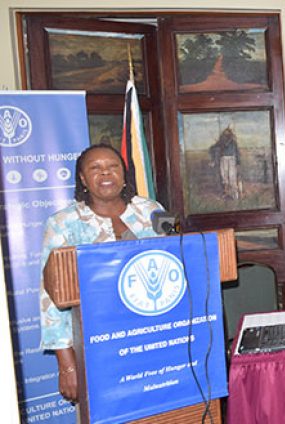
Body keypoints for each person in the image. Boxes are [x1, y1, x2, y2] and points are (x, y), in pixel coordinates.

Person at [39, 144, 164, 403]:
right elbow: (49, 298)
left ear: (123, 173)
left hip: (157, 336)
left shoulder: (153, 209)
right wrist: (67, 365)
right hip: (99, 347)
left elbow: (185, 252)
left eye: (113, 166)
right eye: (95, 168)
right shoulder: (62, 223)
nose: (106, 173)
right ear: (83, 178)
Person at [209, 126, 241, 200]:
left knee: (232, 176)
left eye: (228, 133)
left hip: (232, 160)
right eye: (225, 134)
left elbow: (237, 152)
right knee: (224, 177)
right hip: (223, 159)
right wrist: (213, 159)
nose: (227, 135)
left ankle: (235, 195)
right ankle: (226, 193)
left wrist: (238, 162)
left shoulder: (233, 142)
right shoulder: (221, 142)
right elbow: (212, 148)